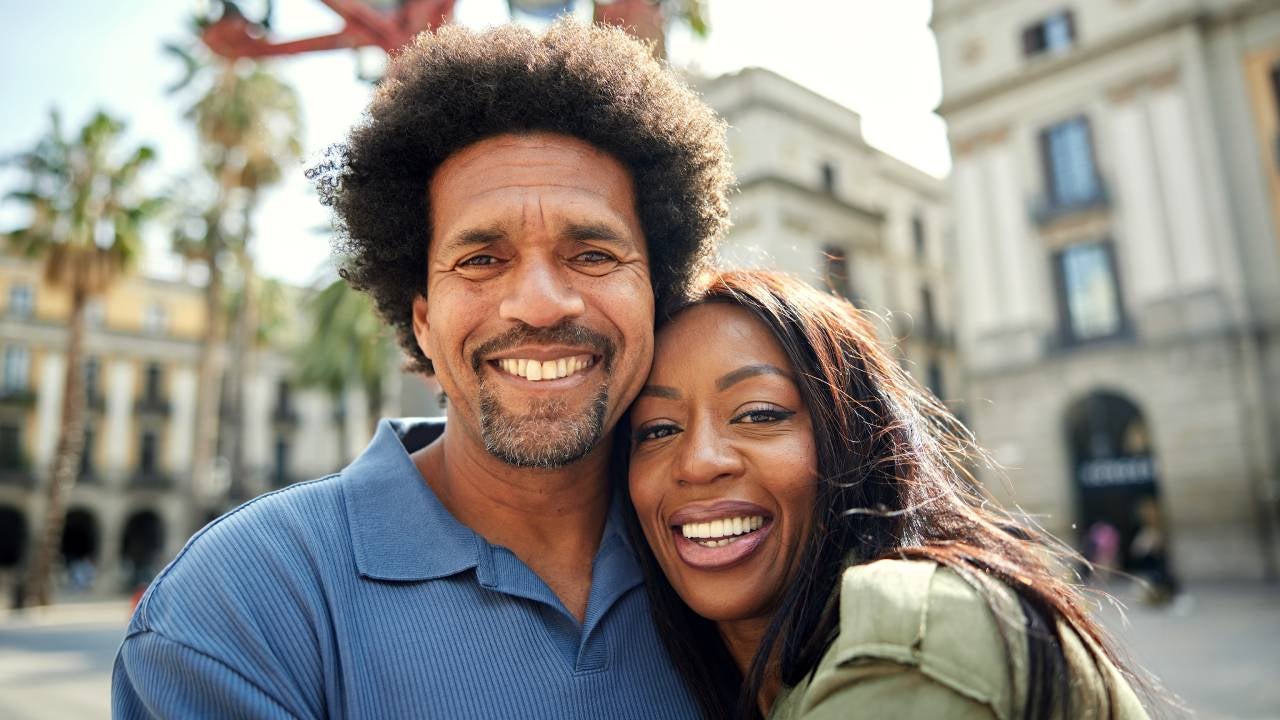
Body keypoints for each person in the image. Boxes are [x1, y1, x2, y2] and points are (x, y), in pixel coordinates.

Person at [112, 20, 731, 718]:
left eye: (592, 253)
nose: (539, 303)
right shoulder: (242, 602)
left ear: (657, 293)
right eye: (481, 260)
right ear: (423, 321)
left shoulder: (727, 553)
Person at [625, 270, 1152, 719]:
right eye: (656, 429)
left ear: (858, 443)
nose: (698, 461)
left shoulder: (906, 638)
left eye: (759, 414)